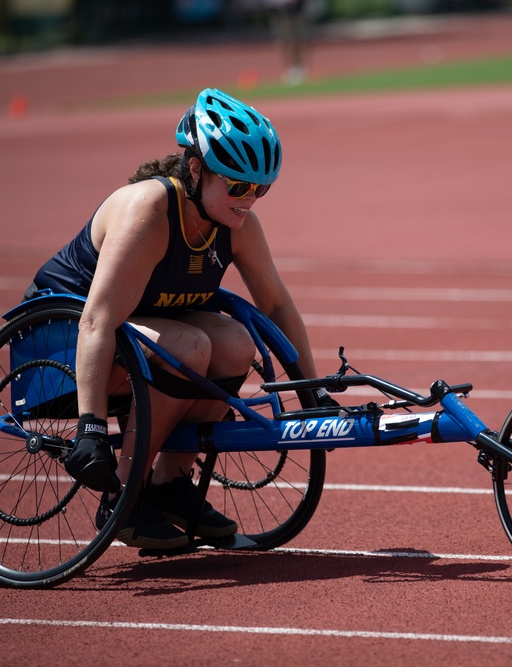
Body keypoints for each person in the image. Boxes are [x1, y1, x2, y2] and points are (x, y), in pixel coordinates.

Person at [28, 88, 321, 550]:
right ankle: (124, 494)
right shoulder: (149, 209)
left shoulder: (234, 225)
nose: (250, 199)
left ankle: (169, 483)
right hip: (61, 342)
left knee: (236, 342)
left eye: (261, 188)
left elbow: (277, 306)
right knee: (190, 346)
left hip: (138, 332)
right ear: (197, 169)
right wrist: (90, 425)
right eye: (238, 186)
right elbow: (96, 321)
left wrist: (312, 390)